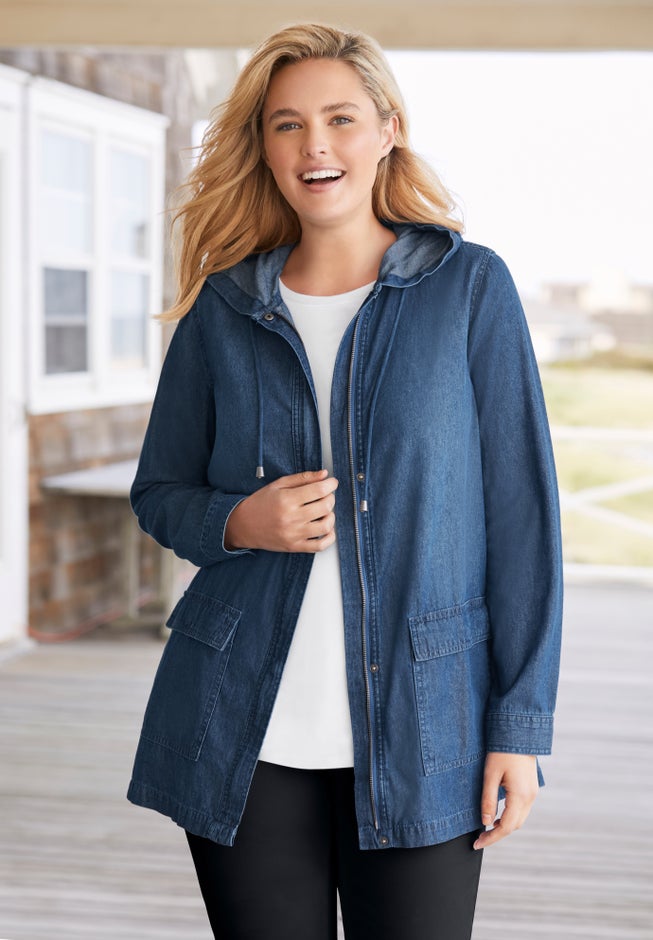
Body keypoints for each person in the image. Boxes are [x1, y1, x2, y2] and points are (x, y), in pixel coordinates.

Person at [127, 22, 563, 940]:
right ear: (264, 148)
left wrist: (517, 729)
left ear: (387, 130)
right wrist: (238, 522)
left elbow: (522, 519)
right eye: (286, 124)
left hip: (425, 728)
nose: (313, 145)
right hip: (241, 727)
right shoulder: (223, 306)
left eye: (339, 118)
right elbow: (160, 490)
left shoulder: (468, 288)